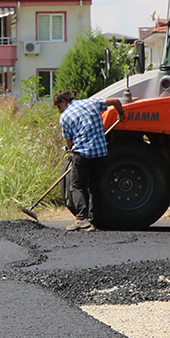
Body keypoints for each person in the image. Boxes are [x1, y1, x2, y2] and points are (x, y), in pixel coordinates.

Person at [53, 89, 126, 231]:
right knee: (95, 187)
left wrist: (71, 150)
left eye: (59, 107)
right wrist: (121, 114)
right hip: (100, 154)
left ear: (64, 101)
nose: (59, 110)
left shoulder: (65, 116)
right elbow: (116, 101)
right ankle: (93, 221)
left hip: (82, 154)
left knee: (77, 186)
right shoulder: (91, 102)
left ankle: (81, 219)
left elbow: (70, 142)